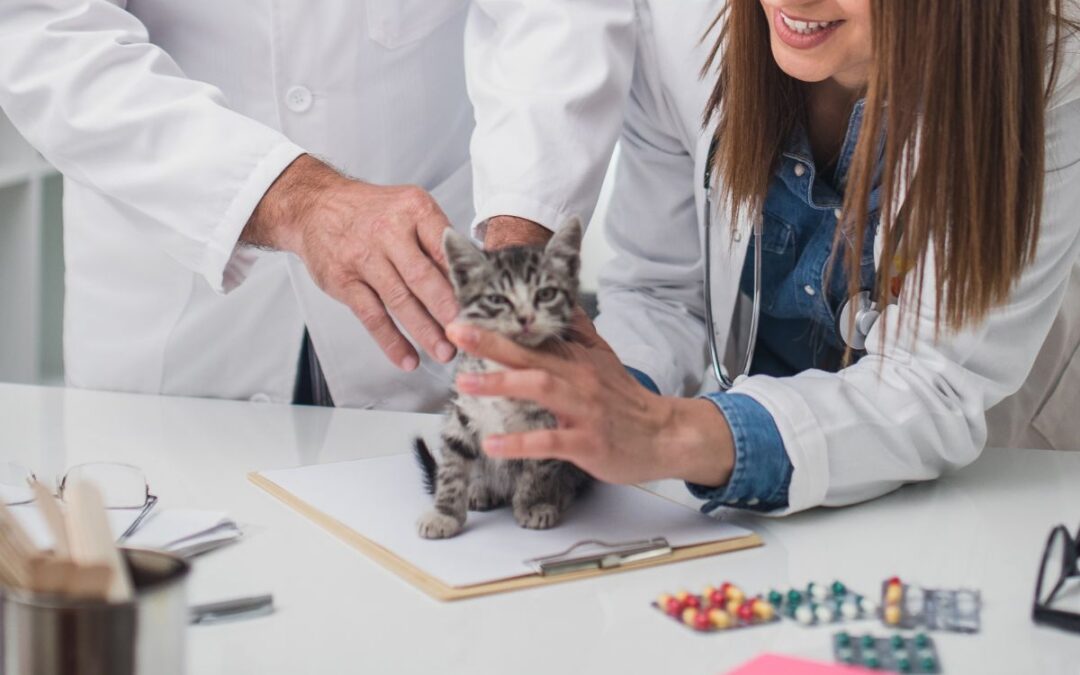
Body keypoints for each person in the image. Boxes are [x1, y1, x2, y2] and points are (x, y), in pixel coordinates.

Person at [457, 0, 1080, 514]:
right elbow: (658, 289)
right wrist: (609, 402)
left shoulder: (1049, 61)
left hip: (977, 500)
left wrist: (671, 434)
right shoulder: (684, 24)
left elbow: (934, 382)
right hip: (743, 500)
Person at [0, 2, 480, 410]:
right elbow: (48, 37)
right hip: (178, 299)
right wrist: (296, 199)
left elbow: (537, 23)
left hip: (432, 246)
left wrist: (522, 219)